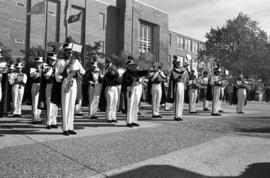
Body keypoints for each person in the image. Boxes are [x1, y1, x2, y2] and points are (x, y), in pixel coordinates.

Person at [55, 43, 85, 136]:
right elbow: (56, 75)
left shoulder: (75, 61)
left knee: (72, 105)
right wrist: (63, 76)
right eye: (67, 51)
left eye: (70, 51)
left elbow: (83, 71)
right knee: (65, 105)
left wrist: (77, 72)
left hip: (74, 82)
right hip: (65, 82)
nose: (69, 52)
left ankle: (71, 127)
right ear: (64, 51)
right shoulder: (59, 61)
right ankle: (65, 128)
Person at [122, 58, 148, 127]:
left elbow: (145, 72)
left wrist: (145, 66)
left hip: (137, 88)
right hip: (130, 89)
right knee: (130, 105)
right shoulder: (126, 73)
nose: (132, 66)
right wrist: (134, 82)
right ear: (128, 66)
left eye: (133, 65)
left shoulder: (136, 71)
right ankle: (129, 121)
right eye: (130, 65)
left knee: (136, 105)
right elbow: (126, 82)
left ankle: (134, 120)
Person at [167, 56, 189, 121]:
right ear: (175, 64)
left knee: (181, 100)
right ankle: (176, 116)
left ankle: (180, 115)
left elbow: (186, 76)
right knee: (177, 100)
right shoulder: (173, 70)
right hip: (177, 84)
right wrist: (184, 69)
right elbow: (176, 76)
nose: (179, 65)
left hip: (182, 84)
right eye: (177, 64)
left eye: (179, 63)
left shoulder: (180, 70)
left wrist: (186, 69)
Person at [43, 53, 59, 129]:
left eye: (54, 60)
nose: (52, 61)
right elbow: (46, 76)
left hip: (56, 86)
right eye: (51, 59)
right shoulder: (45, 66)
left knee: (56, 105)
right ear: (48, 59)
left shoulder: (57, 67)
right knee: (49, 104)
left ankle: (54, 121)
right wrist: (53, 71)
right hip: (49, 85)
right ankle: (48, 122)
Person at [30, 57, 44, 123]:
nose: (39, 64)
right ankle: (34, 117)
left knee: (40, 101)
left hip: (41, 85)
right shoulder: (33, 69)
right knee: (35, 101)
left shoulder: (43, 69)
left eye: (40, 63)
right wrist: (38, 71)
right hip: (35, 84)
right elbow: (32, 76)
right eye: (38, 62)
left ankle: (38, 116)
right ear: (35, 63)